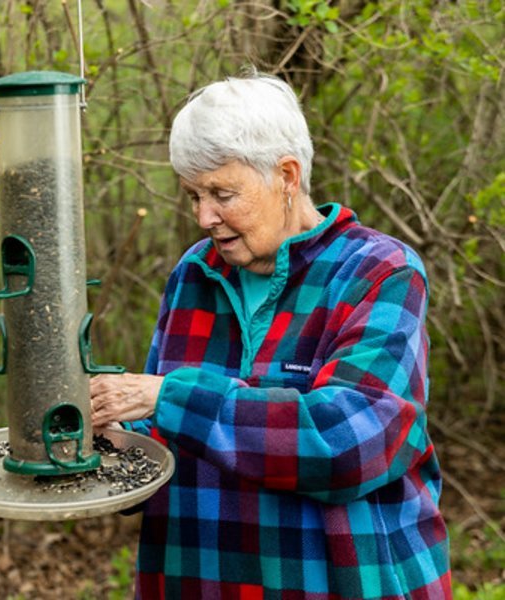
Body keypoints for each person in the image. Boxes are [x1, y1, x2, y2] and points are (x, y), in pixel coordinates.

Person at [90, 72, 451, 599]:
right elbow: (163, 434)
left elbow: (348, 443)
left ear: (286, 176)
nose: (204, 217)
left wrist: (170, 397)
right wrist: (107, 438)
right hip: (198, 579)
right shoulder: (194, 274)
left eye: (222, 193)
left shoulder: (379, 271)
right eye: (193, 195)